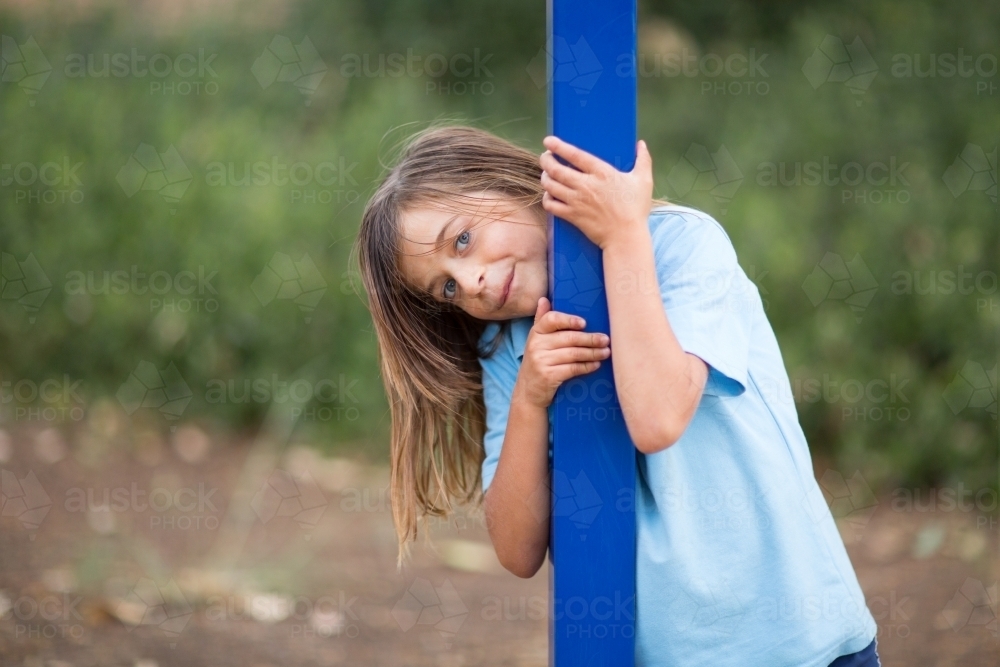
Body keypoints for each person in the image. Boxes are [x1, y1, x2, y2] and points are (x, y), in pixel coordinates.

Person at [352, 122, 880, 666]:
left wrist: (623, 235)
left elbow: (658, 419)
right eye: (447, 288)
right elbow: (516, 550)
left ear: (508, 182)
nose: (472, 283)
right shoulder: (510, 348)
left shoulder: (680, 247)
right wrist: (530, 400)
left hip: (804, 640)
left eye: (462, 240)